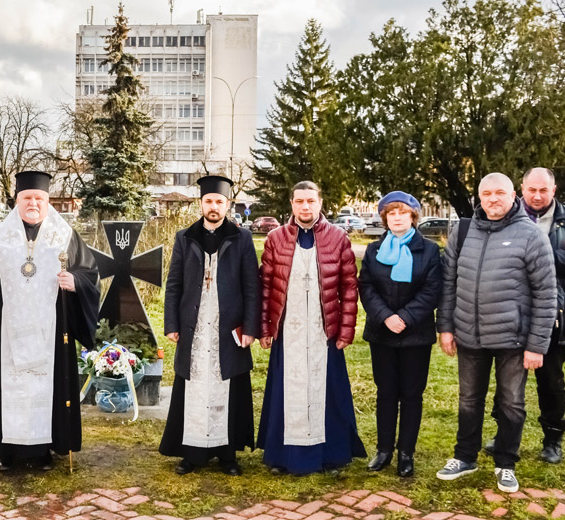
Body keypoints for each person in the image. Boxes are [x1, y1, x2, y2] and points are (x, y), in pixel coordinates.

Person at [0, 171, 100, 472]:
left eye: (39, 198)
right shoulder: (0, 238)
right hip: (8, 331)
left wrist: (75, 281)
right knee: (10, 389)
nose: (33, 203)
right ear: (16, 201)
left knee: (47, 390)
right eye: (27, 198)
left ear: (47, 201)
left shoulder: (64, 234)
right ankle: (5, 450)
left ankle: (43, 449)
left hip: (51, 333)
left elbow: (90, 273)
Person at [436, 172, 557, 493]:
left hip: (514, 340)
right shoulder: (462, 232)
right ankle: (465, 457)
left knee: (511, 403)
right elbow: (448, 285)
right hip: (468, 336)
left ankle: (505, 463)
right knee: (468, 400)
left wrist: (537, 345)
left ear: (513, 194)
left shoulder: (531, 235)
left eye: (499, 193)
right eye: (486, 193)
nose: (493, 199)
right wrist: (445, 326)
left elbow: (546, 294)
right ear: (479, 196)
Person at [482, 168, 565, 464]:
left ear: (554, 189)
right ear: (521, 188)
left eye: (543, 190)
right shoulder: (503, 214)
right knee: (507, 380)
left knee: (551, 381)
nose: (536, 195)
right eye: (531, 190)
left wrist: (544, 254)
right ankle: (504, 436)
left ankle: (552, 439)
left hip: (553, 312)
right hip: (510, 312)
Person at [257, 181, 366, 475]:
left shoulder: (337, 238)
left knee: (327, 392)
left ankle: (331, 455)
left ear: (320, 203)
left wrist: (346, 330)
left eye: (311, 201)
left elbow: (348, 288)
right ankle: (281, 456)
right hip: (288, 329)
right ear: (291, 204)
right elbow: (266, 286)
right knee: (285, 390)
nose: (305, 207)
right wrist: (265, 327)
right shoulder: (276, 238)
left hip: (323, 330)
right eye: (299, 201)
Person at [159, 175, 260, 476]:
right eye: (208, 201)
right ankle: (192, 454)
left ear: (227, 204)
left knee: (226, 386)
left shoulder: (241, 239)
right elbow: (174, 284)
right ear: (201, 203)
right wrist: (171, 323)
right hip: (194, 326)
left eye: (219, 201)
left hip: (227, 327)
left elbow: (252, 287)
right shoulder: (185, 237)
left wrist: (251, 328)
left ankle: (227, 454)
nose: (213, 206)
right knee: (193, 387)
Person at [358, 191, 442, 477]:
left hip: (416, 335)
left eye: (402, 212)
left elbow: (432, 290)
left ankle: (406, 453)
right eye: (391, 213)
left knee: (411, 394)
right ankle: (383, 450)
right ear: (384, 218)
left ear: (413, 217)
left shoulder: (429, 251)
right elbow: (366, 287)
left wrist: (404, 318)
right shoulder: (373, 250)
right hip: (382, 333)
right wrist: (385, 317)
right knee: (385, 393)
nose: (396, 217)